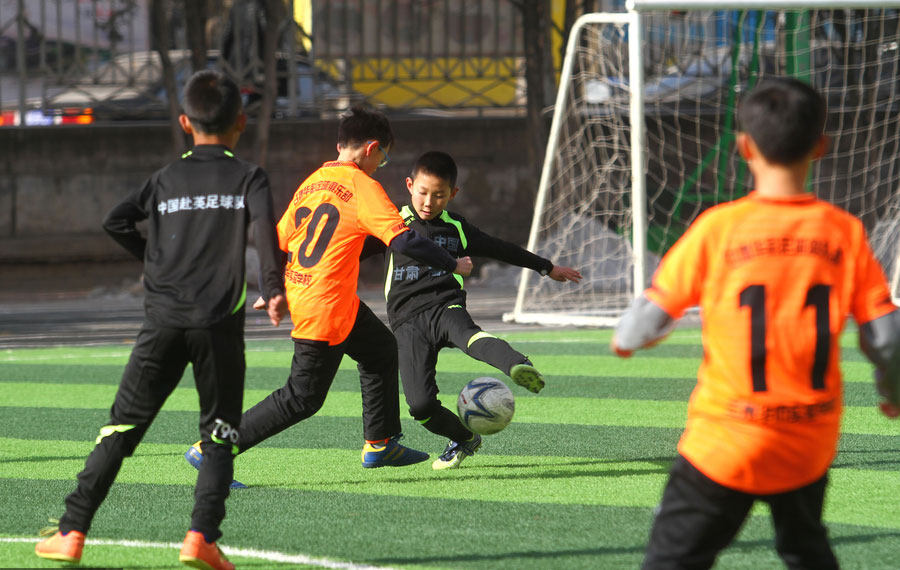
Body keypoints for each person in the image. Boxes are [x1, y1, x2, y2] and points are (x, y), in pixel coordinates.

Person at [611, 77, 900, 569]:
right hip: (809, 440)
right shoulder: (844, 232)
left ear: (744, 147)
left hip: (725, 441)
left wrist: (634, 338)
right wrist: (892, 393)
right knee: (805, 548)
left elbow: (639, 328)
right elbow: (888, 339)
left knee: (673, 559)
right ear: (821, 146)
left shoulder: (717, 228)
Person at [35, 70, 288, 570]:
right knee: (219, 433)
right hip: (218, 323)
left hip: (162, 321)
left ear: (184, 123)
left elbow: (115, 220)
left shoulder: (166, 179)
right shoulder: (249, 176)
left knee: (120, 429)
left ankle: (71, 532)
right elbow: (264, 231)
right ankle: (200, 539)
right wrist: (275, 290)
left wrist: (153, 259)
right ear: (240, 122)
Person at [185, 107, 474, 477]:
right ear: (371, 148)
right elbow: (404, 240)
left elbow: (277, 241)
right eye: (383, 158)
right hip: (325, 304)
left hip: (322, 297)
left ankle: (381, 443)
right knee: (301, 398)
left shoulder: (313, 182)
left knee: (382, 351)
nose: (380, 165)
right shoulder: (363, 187)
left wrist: (275, 285)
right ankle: (213, 448)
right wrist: (453, 264)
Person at [371, 150, 582, 470]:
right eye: (424, 193)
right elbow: (347, 253)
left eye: (439, 195)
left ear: (453, 194)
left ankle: (517, 365)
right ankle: (464, 438)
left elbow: (501, 248)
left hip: (445, 305)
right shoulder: (391, 222)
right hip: (406, 322)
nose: (429, 202)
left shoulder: (456, 228)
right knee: (420, 406)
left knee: (471, 337)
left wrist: (546, 267)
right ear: (410, 185)